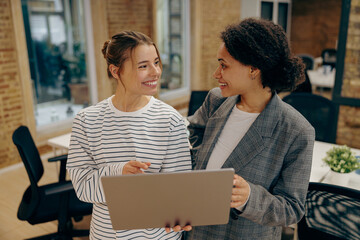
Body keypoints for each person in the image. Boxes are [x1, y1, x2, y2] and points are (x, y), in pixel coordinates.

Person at [184, 18, 315, 239]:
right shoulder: (216, 100)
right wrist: (200, 169)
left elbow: (292, 209)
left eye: (224, 65)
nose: (217, 74)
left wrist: (249, 198)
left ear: (254, 69)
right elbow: (193, 134)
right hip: (196, 230)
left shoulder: (296, 131)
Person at [66, 31, 192, 240]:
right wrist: (119, 173)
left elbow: (179, 191)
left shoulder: (171, 120)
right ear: (116, 71)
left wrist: (180, 213)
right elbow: (82, 187)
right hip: (107, 235)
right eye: (143, 66)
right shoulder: (86, 120)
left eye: (156, 62)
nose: (155, 72)